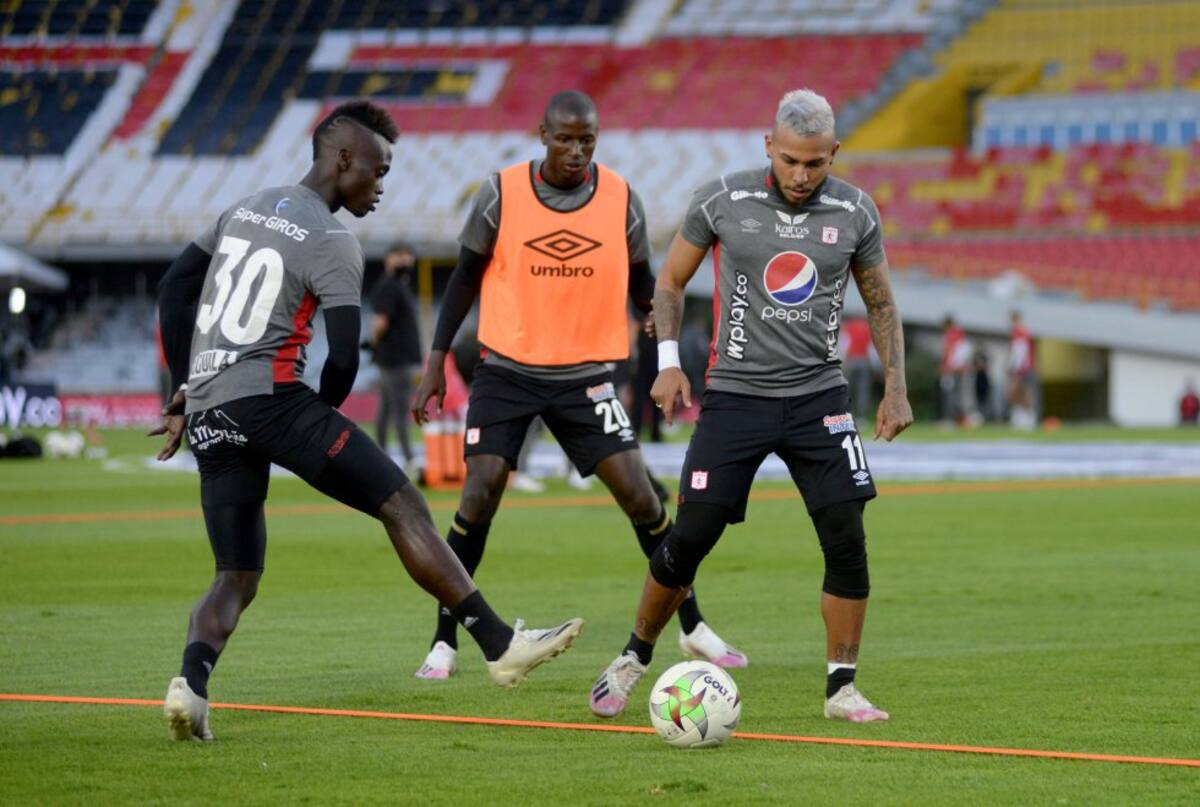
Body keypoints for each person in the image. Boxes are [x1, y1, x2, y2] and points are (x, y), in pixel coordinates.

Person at [150, 100, 582, 743]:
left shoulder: (242, 209)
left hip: (212, 408)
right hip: (272, 400)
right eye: (377, 172)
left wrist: (184, 388)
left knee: (236, 573)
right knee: (403, 503)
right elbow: (346, 357)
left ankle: (190, 686)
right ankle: (499, 646)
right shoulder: (332, 240)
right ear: (343, 158)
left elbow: (173, 288)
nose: (380, 187)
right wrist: (316, 422)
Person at [588, 88, 913, 723]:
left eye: (814, 163)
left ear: (834, 153)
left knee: (847, 537)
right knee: (691, 536)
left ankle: (842, 688)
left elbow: (881, 302)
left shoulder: (856, 211)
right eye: (789, 160)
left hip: (819, 396)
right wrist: (668, 362)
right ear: (769, 145)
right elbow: (670, 281)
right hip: (736, 395)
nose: (801, 175)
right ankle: (632, 657)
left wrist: (896, 387)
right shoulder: (722, 198)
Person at [411, 90, 744, 680]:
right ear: (542, 135)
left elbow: (644, 282)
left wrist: (655, 326)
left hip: (586, 376)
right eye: (564, 139)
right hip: (507, 370)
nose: (575, 151)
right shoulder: (501, 193)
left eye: (586, 140)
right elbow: (463, 278)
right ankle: (445, 640)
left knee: (642, 497)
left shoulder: (620, 199)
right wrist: (436, 361)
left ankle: (692, 625)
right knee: (479, 492)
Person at [367, 242, 422, 466]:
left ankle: (379, 453)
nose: (406, 260)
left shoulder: (399, 285)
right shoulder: (389, 286)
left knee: (387, 407)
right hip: (394, 357)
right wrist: (374, 341)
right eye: (400, 255)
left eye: (408, 256)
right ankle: (409, 457)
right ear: (389, 259)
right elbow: (380, 321)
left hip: (394, 356)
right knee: (400, 409)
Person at [1006, 310, 1038, 430]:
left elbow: (1020, 351)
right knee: (1020, 393)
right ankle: (1021, 418)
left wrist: (1014, 367)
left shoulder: (1020, 332)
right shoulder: (1023, 331)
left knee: (1021, 393)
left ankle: (1028, 419)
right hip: (1025, 367)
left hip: (1023, 368)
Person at [939, 314, 970, 427]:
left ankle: (950, 419)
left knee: (950, 395)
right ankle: (959, 419)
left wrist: (945, 366)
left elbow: (949, 351)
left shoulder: (951, 334)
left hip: (952, 369)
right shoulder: (960, 334)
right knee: (957, 394)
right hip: (958, 369)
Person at [841, 316, 873, 421]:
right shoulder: (868, 328)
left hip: (850, 360)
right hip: (864, 360)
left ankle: (846, 413)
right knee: (862, 390)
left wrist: (842, 361)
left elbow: (845, 344)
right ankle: (861, 417)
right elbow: (871, 348)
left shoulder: (849, 327)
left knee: (847, 389)